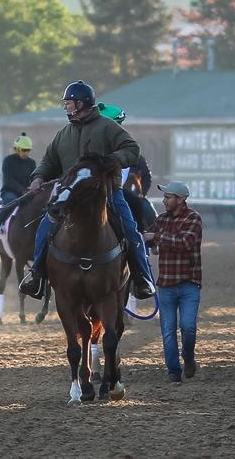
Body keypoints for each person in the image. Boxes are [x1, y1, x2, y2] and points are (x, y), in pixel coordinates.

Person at [18, 80, 156, 300]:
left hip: (108, 192)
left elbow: (132, 149)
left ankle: (142, 278)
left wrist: (110, 161)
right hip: (69, 197)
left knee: (130, 229)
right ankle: (36, 276)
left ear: (82, 103)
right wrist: (38, 177)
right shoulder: (64, 133)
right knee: (45, 227)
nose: (66, 108)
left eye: (69, 104)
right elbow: (49, 161)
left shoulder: (108, 127)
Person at [144, 182, 202, 383]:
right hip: (166, 285)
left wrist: (156, 237)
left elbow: (184, 242)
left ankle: (188, 357)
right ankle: (173, 371)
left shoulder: (194, 218)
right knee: (168, 332)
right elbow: (146, 238)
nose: (164, 200)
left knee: (188, 328)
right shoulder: (160, 220)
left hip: (189, 284)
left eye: (168, 197)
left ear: (180, 199)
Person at [98, 102, 155, 232]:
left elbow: (146, 176)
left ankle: (143, 243)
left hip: (121, 192)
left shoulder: (133, 153)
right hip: (95, 191)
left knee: (144, 209)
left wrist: (142, 193)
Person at [0, 132, 35, 231]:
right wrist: (22, 190)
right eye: (24, 150)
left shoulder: (32, 163)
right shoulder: (8, 161)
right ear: (17, 149)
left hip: (27, 192)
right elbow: (9, 180)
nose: (26, 153)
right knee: (12, 200)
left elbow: (33, 178)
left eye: (28, 150)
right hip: (9, 192)